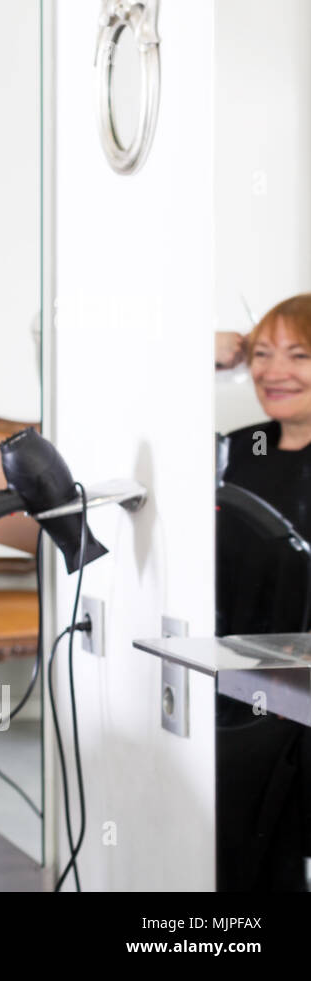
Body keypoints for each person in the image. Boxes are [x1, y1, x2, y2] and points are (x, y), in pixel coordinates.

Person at [215, 294, 311, 890]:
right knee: (249, 855)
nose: (274, 372)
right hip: (243, 683)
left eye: (299, 355)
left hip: (305, 688)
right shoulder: (241, 449)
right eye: (261, 353)